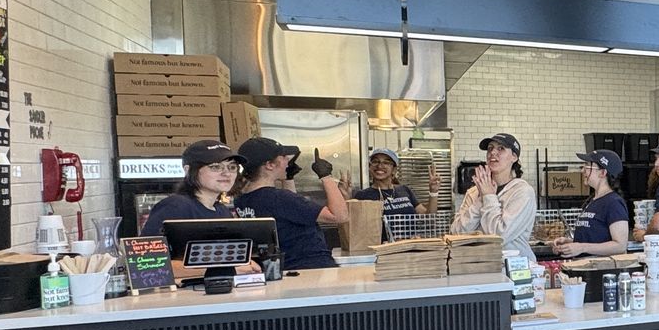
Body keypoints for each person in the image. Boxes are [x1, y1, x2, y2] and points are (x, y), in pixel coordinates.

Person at [234, 137, 347, 269]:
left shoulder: (242, 200)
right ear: (269, 165)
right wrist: (326, 177)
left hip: (285, 269)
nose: (288, 160)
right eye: (283, 157)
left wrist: (288, 179)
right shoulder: (279, 198)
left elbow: (292, 213)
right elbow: (340, 216)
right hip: (312, 270)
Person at [450, 133, 538, 255]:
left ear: (514, 157)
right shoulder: (474, 192)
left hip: (511, 270)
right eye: (490, 148)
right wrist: (480, 200)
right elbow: (456, 232)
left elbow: (499, 236)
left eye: (501, 148)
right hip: (478, 267)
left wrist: (488, 197)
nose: (493, 152)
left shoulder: (522, 192)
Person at [141, 140, 240, 236]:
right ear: (188, 170)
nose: (227, 173)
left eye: (232, 167)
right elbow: (148, 250)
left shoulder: (223, 212)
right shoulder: (175, 207)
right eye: (215, 167)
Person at [349, 148, 441, 240]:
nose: (380, 166)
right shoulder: (362, 195)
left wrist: (433, 192)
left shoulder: (404, 190)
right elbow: (354, 227)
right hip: (383, 250)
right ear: (370, 167)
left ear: (394, 169)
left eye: (386, 162)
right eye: (375, 161)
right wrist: (346, 196)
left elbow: (429, 217)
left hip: (411, 246)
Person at [555, 149, 631, 258]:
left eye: (587, 166)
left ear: (603, 172)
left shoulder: (614, 203)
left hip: (602, 270)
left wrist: (581, 247)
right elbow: (594, 239)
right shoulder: (592, 200)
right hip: (586, 267)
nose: (583, 171)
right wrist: (570, 244)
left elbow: (620, 246)